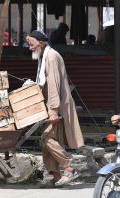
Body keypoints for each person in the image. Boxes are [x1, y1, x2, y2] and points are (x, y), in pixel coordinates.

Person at [26, 30, 84, 187]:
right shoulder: (45, 56)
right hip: (52, 106)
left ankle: (70, 168)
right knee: (47, 141)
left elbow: (53, 85)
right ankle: (56, 176)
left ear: (41, 43)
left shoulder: (51, 57)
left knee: (47, 138)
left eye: (31, 44)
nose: (29, 48)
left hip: (57, 107)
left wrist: (52, 111)